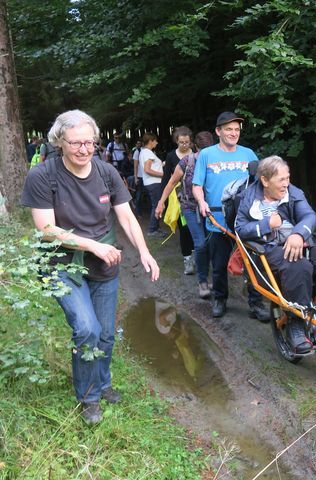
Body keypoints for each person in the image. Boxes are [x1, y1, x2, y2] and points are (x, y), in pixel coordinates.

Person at [20, 109, 160, 425]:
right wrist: (93, 244)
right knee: (87, 328)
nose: (84, 150)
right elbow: (46, 228)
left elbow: (125, 216)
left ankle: (103, 383)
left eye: (90, 143)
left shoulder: (106, 172)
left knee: (106, 333)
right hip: (60, 263)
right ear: (59, 142)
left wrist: (144, 251)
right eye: (76, 144)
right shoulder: (43, 176)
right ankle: (88, 397)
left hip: (102, 265)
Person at [235, 156, 316, 353]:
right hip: (267, 249)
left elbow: (310, 216)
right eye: (281, 180)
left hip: (299, 241)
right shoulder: (248, 197)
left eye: (288, 178)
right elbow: (240, 228)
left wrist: (298, 233)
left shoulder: (293, 193)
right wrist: (266, 224)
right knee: (298, 265)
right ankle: (295, 327)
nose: (286, 184)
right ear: (265, 180)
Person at [192, 111, 269, 320]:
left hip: (246, 219)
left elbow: (263, 181)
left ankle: (256, 303)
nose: (234, 133)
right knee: (218, 264)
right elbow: (197, 185)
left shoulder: (248, 154)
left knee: (253, 262)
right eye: (229, 129)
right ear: (218, 131)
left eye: (236, 129)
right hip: (217, 219)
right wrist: (202, 202)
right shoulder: (206, 155)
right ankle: (220, 298)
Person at [156, 131, 215, 299]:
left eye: (208, 150)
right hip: (189, 208)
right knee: (201, 244)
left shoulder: (216, 162)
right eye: (202, 150)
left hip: (211, 210)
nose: (205, 154)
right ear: (196, 148)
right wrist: (161, 203)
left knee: (212, 245)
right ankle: (203, 282)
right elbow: (171, 182)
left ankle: (213, 279)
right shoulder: (187, 162)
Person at [161, 126, 195, 276]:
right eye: (181, 142)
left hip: (195, 197)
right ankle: (187, 259)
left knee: (196, 230)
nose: (184, 145)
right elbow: (167, 179)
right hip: (178, 200)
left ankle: (196, 257)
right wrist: (163, 200)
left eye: (187, 142)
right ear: (176, 141)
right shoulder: (171, 157)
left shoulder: (197, 155)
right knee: (185, 230)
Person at [140, 132, 164, 236]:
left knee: (157, 205)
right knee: (157, 205)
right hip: (154, 183)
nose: (157, 143)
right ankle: (152, 230)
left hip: (151, 183)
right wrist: (163, 175)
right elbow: (147, 169)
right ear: (150, 141)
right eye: (155, 141)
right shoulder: (148, 153)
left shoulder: (144, 152)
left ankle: (156, 228)